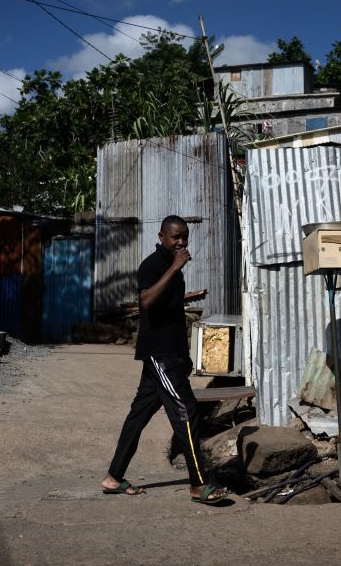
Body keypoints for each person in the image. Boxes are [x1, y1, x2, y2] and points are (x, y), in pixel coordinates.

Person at [101, 215, 229, 505]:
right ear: (162, 237)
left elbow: (172, 316)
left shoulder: (176, 272)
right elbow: (146, 301)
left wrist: (184, 357)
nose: (181, 242)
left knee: (138, 416)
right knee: (187, 411)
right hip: (159, 355)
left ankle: (113, 477)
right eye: (176, 237)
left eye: (185, 237)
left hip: (169, 355)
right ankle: (198, 484)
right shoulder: (153, 265)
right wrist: (174, 267)